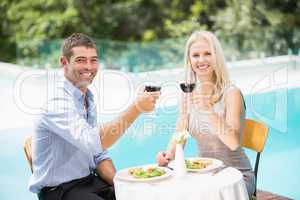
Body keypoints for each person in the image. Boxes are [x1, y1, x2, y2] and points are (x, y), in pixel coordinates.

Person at [28, 33, 160, 200]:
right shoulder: (57, 103)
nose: (89, 67)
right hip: (59, 191)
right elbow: (94, 142)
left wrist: (122, 186)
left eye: (94, 60)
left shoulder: (86, 99)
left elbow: (98, 154)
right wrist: (137, 107)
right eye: (81, 60)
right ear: (64, 62)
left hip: (89, 182)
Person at [156, 31, 255, 198]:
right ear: (189, 60)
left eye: (207, 53)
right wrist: (168, 156)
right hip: (204, 176)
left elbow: (233, 142)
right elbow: (179, 136)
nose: (201, 60)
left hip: (236, 178)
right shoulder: (188, 94)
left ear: (217, 57)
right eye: (195, 55)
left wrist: (208, 110)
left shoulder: (231, 93)